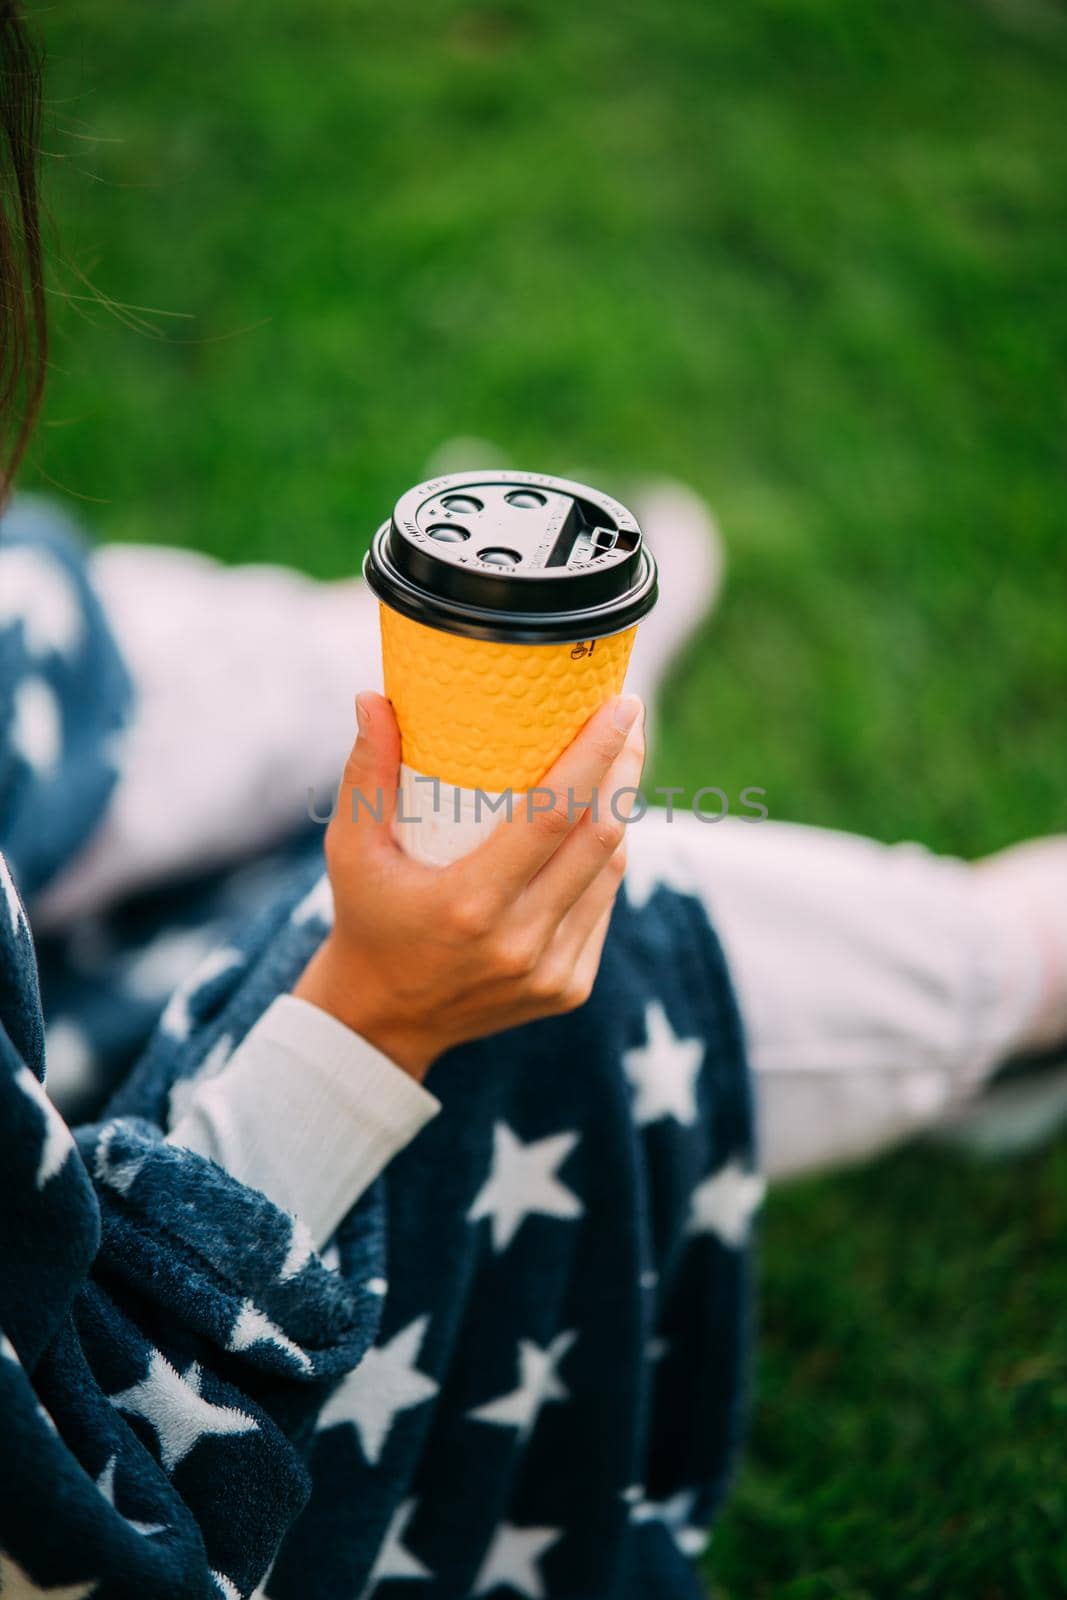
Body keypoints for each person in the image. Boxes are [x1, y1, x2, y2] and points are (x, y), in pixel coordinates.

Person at [1, 8, 1064, 1598]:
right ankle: (1004, 973)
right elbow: (90, 1518)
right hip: (135, 1358)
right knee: (541, 912)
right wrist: (369, 1023)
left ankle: (444, 656)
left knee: (53, 635)